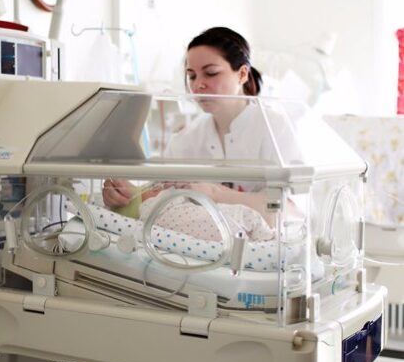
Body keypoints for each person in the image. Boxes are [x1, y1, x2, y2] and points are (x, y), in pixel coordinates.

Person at [103, 27, 302, 226]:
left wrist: (215, 193)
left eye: (210, 73)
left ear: (242, 74)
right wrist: (128, 194)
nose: (198, 85)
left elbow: (291, 209)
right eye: (192, 76)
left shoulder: (275, 128)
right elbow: (160, 199)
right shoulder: (185, 140)